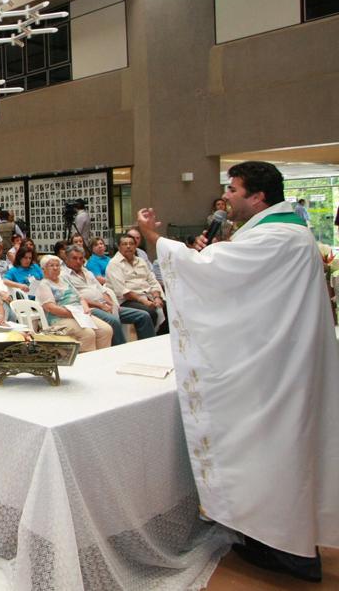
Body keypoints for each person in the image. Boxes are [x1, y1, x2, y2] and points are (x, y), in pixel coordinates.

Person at [136, 161, 339, 583]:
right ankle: (284, 542)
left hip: (277, 374)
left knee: (274, 455)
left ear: (258, 196)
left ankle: (289, 551)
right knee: (281, 455)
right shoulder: (292, 234)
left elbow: (210, 272)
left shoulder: (277, 237)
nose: (225, 196)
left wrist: (156, 239)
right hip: (282, 361)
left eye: (233, 188)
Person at [62, 245, 154, 346]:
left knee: (143, 316)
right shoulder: (64, 275)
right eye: (74, 258)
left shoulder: (87, 272)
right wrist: (101, 306)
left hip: (104, 305)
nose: (78, 261)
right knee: (113, 321)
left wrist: (110, 303)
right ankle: (121, 350)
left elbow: (102, 290)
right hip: (89, 308)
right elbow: (78, 298)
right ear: (66, 259)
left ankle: (149, 347)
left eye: (81, 258)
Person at [35, 255, 112, 352]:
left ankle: (102, 360)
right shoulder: (44, 285)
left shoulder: (64, 280)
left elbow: (80, 298)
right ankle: (87, 363)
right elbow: (51, 308)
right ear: (43, 269)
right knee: (88, 333)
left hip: (79, 314)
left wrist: (85, 308)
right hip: (60, 319)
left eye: (57, 265)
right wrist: (73, 314)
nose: (55, 268)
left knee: (106, 330)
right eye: (51, 266)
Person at [106, 234, 167, 335]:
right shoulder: (114, 264)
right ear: (119, 247)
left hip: (148, 295)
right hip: (127, 300)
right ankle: (148, 343)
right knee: (150, 312)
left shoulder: (141, 261)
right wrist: (144, 301)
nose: (128, 246)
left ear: (135, 246)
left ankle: (162, 341)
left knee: (168, 309)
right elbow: (123, 291)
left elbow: (152, 281)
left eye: (131, 244)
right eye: (125, 244)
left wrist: (157, 297)